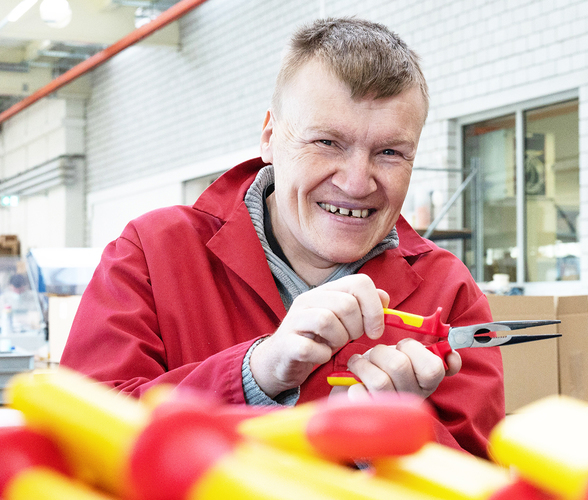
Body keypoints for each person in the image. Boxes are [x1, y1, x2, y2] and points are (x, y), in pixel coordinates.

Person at [60, 18, 504, 459]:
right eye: (328, 142)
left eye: (390, 152)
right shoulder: (153, 252)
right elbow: (78, 434)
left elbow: (479, 481)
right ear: (270, 138)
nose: (356, 183)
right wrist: (255, 373)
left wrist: (394, 439)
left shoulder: (450, 292)